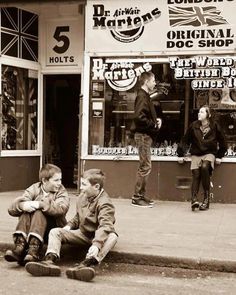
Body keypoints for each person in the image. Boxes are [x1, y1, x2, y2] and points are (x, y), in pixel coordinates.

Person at [25, 168, 118, 282]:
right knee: (55, 231)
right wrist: (68, 226)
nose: (81, 187)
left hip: (99, 237)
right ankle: (49, 261)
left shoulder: (105, 203)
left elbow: (105, 226)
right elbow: (78, 217)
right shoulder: (83, 196)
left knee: (113, 236)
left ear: (96, 187)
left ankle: (87, 264)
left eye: (84, 184)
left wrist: (97, 244)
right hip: (84, 234)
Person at [4, 164, 70, 265]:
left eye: (60, 180)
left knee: (39, 211)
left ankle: (34, 251)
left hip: (53, 229)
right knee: (26, 211)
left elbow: (61, 209)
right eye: (56, 180)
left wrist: (40, 204)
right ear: (44, 181)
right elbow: (11, 209)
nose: (59, 183)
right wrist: (23, 205)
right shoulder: (34, 188)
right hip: (33, 230)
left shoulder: (61, 191)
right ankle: (19, 247)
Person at [177, 105, 227, 211]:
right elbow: (185, 140)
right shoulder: (194, 126)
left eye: (202, 112)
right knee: (196, 174)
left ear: (208, 115)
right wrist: (180, 153)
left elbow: (223, 141)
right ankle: (194, 200)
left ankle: (206, 199)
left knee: (205, 167)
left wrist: (220, 155)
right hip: (196, 154)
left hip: (209, 153)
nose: (199, 113)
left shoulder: (215, 126)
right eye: (199, 112)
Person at [131, 72, 162, 208]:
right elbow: (139, 117)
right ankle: (137, 197)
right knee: (145, 166)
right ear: (146, 81)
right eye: (153, 80)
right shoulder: (142, 96)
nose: (155, 83)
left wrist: (156, 120)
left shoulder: (144, 96)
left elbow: (143, 116)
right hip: (143, 136)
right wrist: (153, 124)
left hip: (144, 135)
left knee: (145, 166)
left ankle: (141, 196)